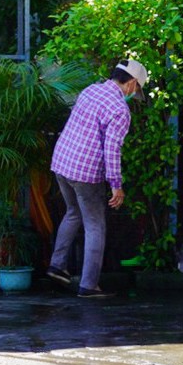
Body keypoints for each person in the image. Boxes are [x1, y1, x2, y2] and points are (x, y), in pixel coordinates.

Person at [46, 57, 147, 299]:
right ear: (132, 83)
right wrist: (116, 186)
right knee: (95, 225)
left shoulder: (91, 90)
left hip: (62, 162)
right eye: (137, 89)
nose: (135, 94)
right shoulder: (119, 109)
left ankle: (57, 265)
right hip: (85, 172)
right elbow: (112, 149)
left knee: (73, 212)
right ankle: (88, 285)